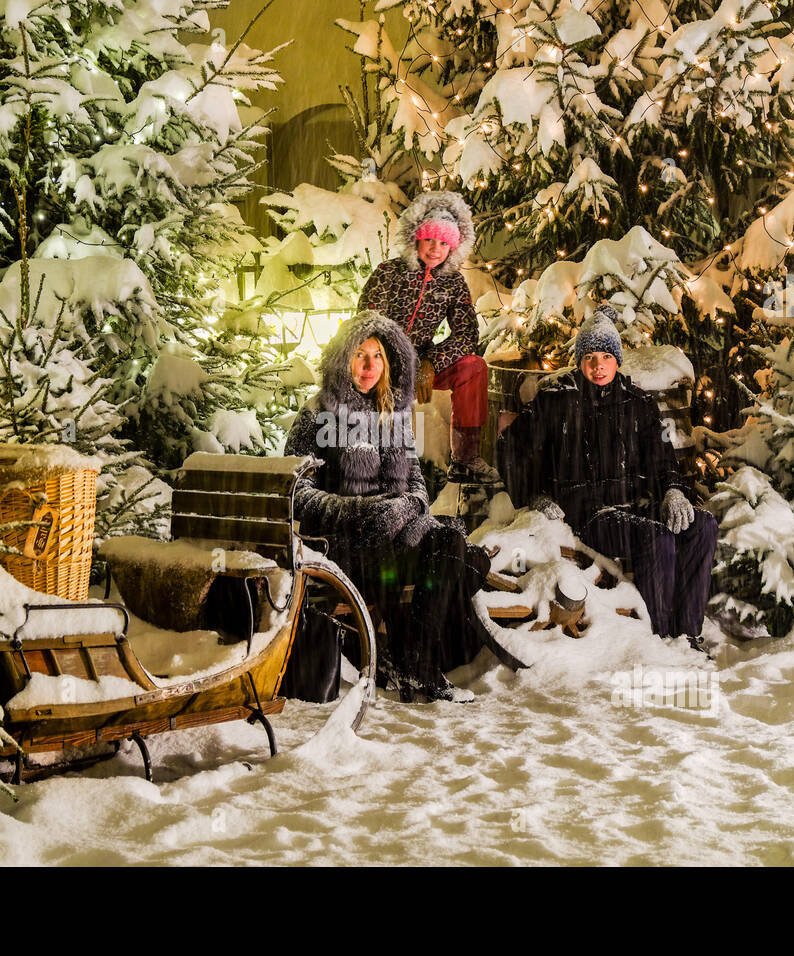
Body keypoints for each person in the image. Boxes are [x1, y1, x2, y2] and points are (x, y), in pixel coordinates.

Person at [284, 310, 489, 702]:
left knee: (455, 550)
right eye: (360, 354)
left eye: (377, 356)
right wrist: (359, 512)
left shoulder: (391, 416)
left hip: (392, 542)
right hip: (344, 548)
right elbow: (297, 493)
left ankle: (417, 661)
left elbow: (415, 485)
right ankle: (405, 656)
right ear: (342, 358)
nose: (369, 366)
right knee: (456, 557)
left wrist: (401, 509)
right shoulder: (316, 417)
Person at [497, 305, 718, 646]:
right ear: (579, 361)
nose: (598, 365)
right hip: (589, 512)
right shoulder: (555, 401)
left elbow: (662, 457)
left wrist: (673, 489)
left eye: (605, 356)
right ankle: (659, 637)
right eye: (589, 357)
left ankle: (686, 633)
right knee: (656, 539)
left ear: (617, 360)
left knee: (702, 525)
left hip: (635, 503)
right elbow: (509, 449)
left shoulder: (638, 403)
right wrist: (534, 497)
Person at [358, 191, 500, 484]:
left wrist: (431, 362)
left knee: (473, 367)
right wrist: (396, 366)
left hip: (424, 361)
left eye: (444, 242)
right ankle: (379, 463)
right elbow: (366, 327)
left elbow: (467, 333)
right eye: (429, 240)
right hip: (382, 365)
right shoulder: (389, 274)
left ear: (454, 247)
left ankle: (465, 458)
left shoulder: (453, 283)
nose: (436, 249)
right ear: (415, 239)